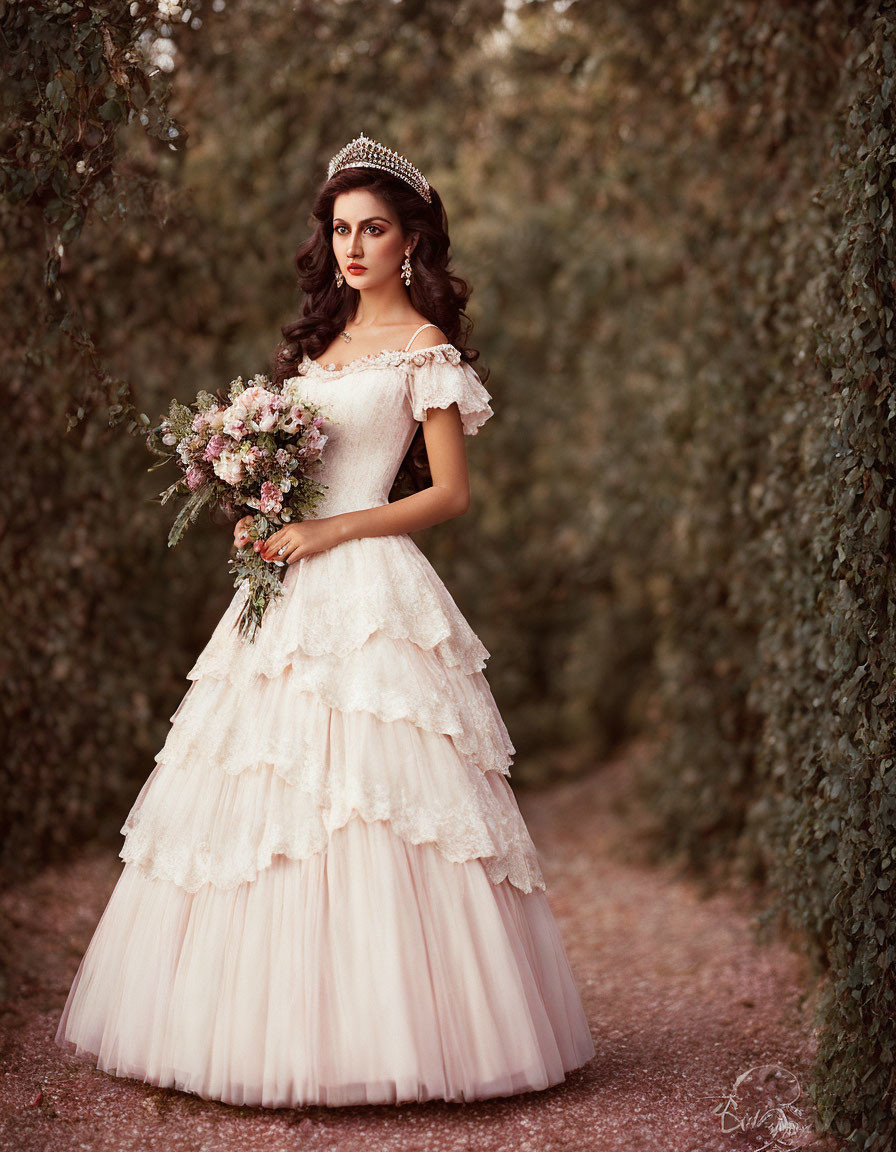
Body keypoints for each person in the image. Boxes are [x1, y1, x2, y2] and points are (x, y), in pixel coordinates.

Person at [54, 132, 596, 1107]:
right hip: (288, 580)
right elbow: (289, 474)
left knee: (380, 798)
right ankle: (261, 1032)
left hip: (372, 578)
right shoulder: (313, 346)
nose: (353, 246)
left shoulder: (425, 350)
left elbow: (448, 498)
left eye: (373, 228)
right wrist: (257, 508)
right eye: (341, 228)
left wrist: (334, 528)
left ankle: (404, 1036)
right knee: (269, 795)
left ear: (408, 240)